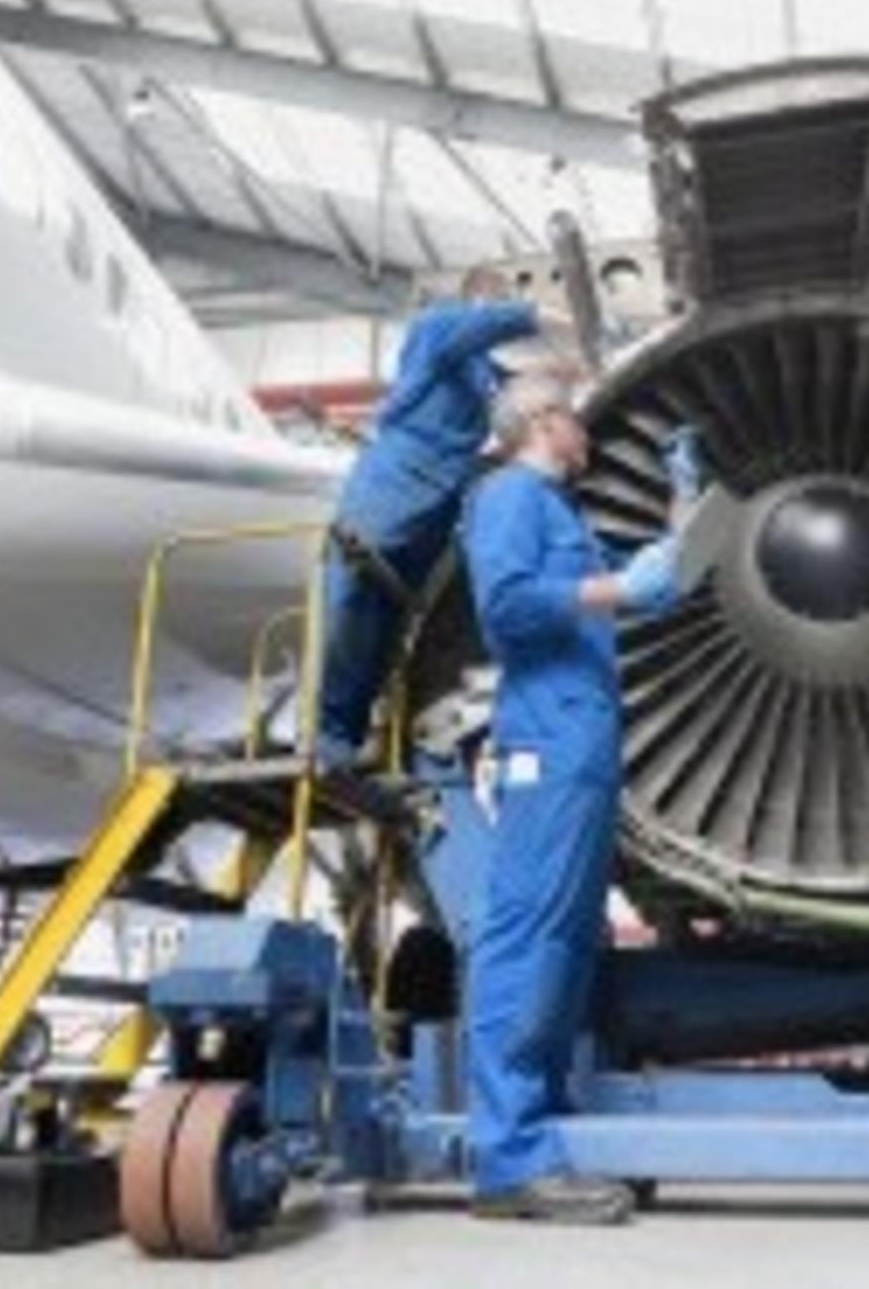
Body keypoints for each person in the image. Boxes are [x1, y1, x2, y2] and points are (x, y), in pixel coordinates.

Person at [461, 376, 696, 1224]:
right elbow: (508, 605)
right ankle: (508, 1161)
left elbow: (652, 579)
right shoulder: (508, 495)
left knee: (565, 941)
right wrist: (621, 592)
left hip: (584, 744)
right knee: (527, 934)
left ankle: (541, 1130)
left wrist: (685, 501)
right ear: (539, 423)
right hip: (547, 741)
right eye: (572, 414)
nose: (584, 431)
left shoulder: (561, 515)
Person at [315, 268, 572, 767]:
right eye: (496, 301)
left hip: (443, 496)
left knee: (393, 620)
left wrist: (571, 377)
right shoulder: (437, 328)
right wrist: (550, 318)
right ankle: (331, 731)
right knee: (352, 598)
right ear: (476, 300)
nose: (497, 312)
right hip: (399, 476)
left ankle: (355, 734)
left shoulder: (482, 375)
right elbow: (491, 326)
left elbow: (524, 401)